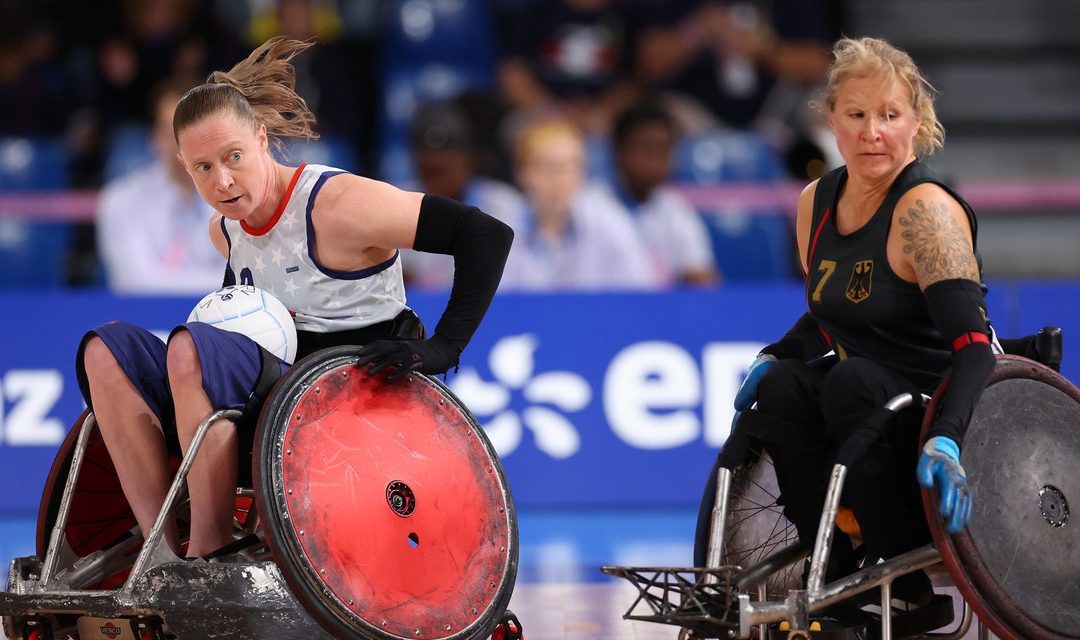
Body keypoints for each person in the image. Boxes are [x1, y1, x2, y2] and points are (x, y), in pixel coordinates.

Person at [75, 37, 513, 559]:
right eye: (203, 168)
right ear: (183, 166)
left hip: (346, 387)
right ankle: (162, 554)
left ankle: (209, 552)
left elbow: (486, 234)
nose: (223, 180)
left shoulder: (338, 204)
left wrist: (445, 347)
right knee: (106, 350)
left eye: (233, 156)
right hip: (272, 393)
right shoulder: (225, 231)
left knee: (191, 348)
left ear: (262, 139)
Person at [710, 36, 996, 628]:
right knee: (788, 386)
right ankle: (834, 559)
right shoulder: (816, 201)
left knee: (851, 382)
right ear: (832, 121)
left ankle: (908, 585)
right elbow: (832, 312)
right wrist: (774, 356)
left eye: (890, 116)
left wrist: (947, 437)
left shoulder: (926, 212)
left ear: (915, 123)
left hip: (937, 413)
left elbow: (973, 348)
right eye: (858, 115)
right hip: (862, 406)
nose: (873, 132)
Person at [96, 75, 227, 294]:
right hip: (146, 325)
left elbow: (245, 280)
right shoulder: (120, 200)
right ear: (154, 137)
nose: (184, 147)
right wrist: (217, 285)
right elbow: (137, 284)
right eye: (172, 133)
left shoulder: (236, 197)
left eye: (196, 133)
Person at [500, 117, 657, 291]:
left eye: (573, 167)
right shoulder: (503, 229)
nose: (563, 180)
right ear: (522, 173)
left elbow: (638, 292)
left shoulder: (609, 221)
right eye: (551, 168)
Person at [401, 101, 527, 289]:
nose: (438, 180)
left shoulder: (503, 204)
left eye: (444, 169)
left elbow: (513, 278)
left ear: (469, 160)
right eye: (429, 171)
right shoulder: (399, 201)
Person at [610, 101, 720, 286]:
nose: (655, 162)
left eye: (664, 151)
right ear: (619, 151)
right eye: (646, 149)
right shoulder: (592, 208)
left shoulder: (675, 209)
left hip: (660, 311)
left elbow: (702, 279)